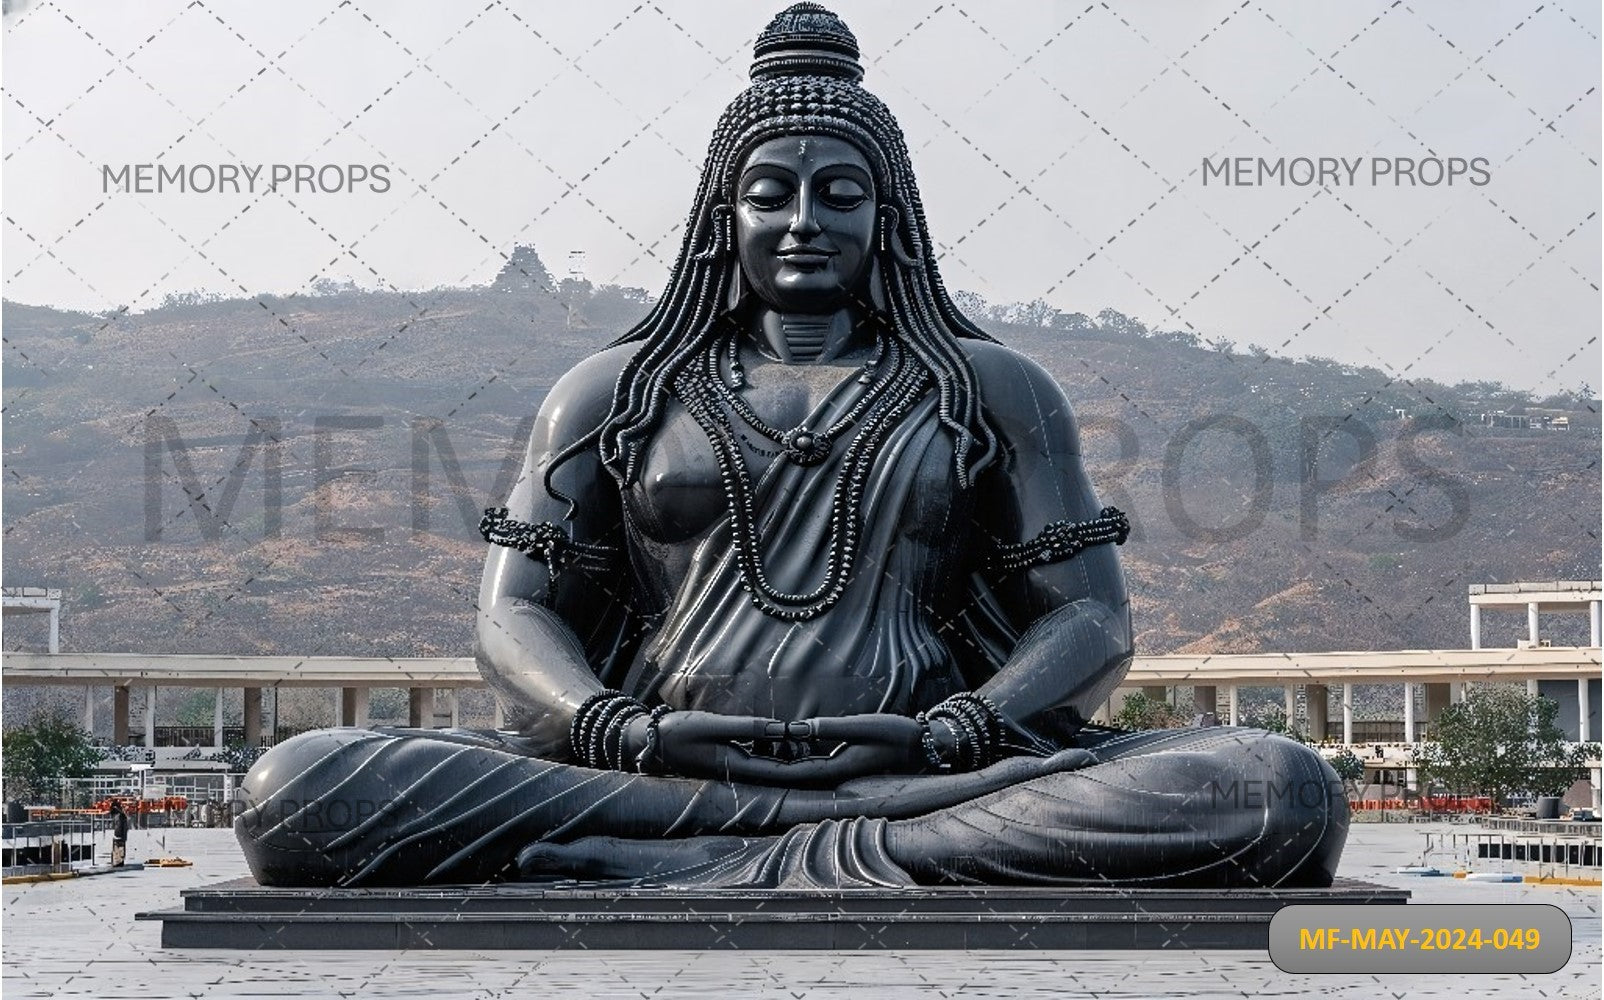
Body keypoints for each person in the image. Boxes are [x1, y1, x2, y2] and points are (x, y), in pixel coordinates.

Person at [236, 3, 1346, 889]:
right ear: (725, 214)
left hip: (923, 775)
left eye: (839, 192)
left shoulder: (989, 388)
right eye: (770, 192)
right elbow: (510, 613)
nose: (803, 219)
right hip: (659, 769)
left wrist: (960, 730)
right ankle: (788, 846)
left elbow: (1092, 618)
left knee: (1273, 790)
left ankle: (739, 855)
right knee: (295, 789)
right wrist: (613, 726)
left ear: (887, 217)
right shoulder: (614, 390)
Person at [109, 800, 128, 868]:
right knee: (120, 849)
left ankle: (117, 862)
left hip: (119, 836)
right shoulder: (121, 815)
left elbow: (118, 826)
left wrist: (117, 835)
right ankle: (119, 862)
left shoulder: (118, 816)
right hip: (122, 835)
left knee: (118, 849)